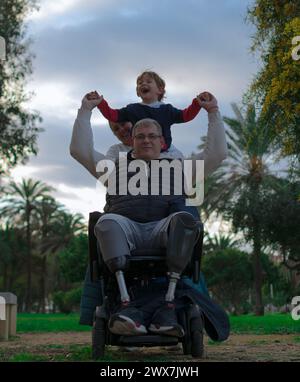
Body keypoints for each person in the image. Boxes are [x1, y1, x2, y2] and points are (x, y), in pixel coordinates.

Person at [70, 91, 229, 341]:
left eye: (152, 136)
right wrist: (85, 110)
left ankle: (168, 306)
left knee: (185, 219)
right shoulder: (114, 169)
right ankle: (125, 304)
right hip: (126, 232)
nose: (146, 140)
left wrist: (213, 113)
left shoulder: (181, 169)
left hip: (162, 232)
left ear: (162, 141)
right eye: (140, 136)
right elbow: (80, 150)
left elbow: (217, 154)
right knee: (106, 221)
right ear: (132, 141)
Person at [94, 71, 202, 150]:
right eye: (140, 83)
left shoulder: (167, 110)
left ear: (160, 90)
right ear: (138, 92)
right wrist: (101, 103)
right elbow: (113, 115)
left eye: (148, 81)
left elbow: (186, 115)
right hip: (140, 154)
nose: (143, 84)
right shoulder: (132, 109)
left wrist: (197, 103)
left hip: (163, 154)